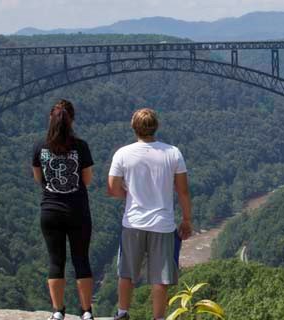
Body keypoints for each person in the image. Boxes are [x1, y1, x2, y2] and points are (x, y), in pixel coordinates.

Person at [107, 108, 193, 320]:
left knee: (126, 272)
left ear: (134, 127)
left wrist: (128, 195)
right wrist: (187, 220)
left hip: (133, 222)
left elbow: (112, 188)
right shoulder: (173, 153)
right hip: (163, 224)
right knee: (160, 278)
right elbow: (182, 190)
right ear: (156, 127)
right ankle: (158, 318)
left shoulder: (123, 154)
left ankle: (123, 313)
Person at [31, 99, 96, 320]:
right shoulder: (81, 146)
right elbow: (86, 180)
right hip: (77, 210)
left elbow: (38, 178)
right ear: (72, 120)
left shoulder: (40, 146)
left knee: (56, 261)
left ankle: (58, 312)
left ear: (51, 119)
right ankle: (86, 312)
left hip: (50, 211)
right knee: (81, 260)